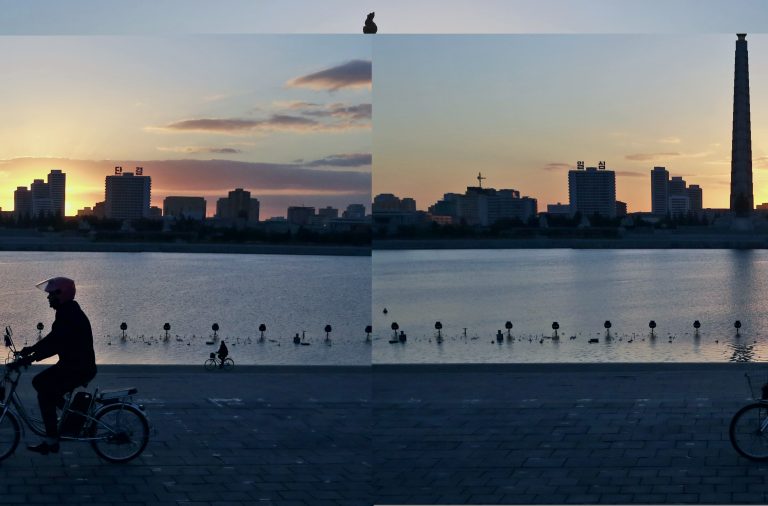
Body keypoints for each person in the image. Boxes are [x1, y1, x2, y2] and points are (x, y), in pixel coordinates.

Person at [13, 277, 97, 455]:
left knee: (45, 392)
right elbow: (53, 339)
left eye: (51, 294)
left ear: (62, 294)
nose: (48, 298)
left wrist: (31, 358)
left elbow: (56, 344)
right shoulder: (66, 312)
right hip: (72, 365)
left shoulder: (69, 315)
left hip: (79, 368)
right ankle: (72, 413)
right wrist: (31, 350)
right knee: (41, 384)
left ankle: (52, 440)